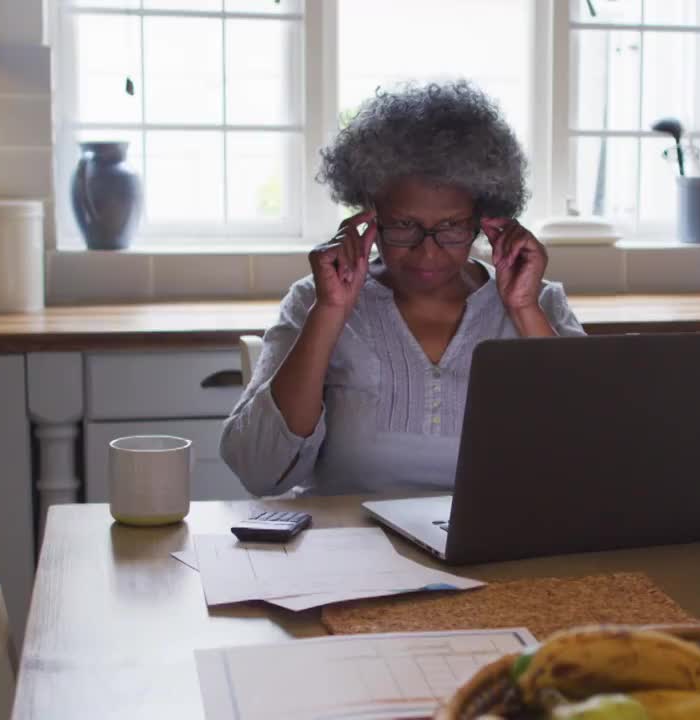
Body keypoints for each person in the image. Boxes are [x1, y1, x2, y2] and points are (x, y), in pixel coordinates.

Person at [221, 81, 585, 497]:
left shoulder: (540, 301)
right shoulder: (314, 299)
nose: (426, 254)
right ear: (369, 215)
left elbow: (595, 456)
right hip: (349, 547)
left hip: (492, 553)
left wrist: (524, 310)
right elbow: (256, 470)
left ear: (484, 220)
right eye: (404, 225)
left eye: (450, 227)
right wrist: (329, 314)